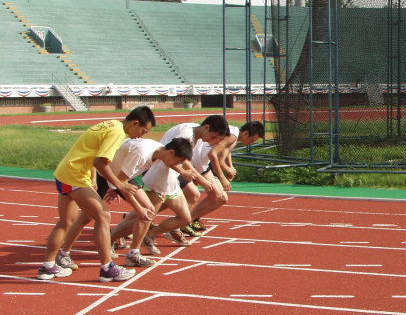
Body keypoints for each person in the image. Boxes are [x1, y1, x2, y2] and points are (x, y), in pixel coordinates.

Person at [37, 106, 156, 282]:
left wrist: (93, 177)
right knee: (103, 216)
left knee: (66, 222)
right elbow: (100, 162)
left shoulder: (110, 124)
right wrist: (120, 185)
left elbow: (90, 151)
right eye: (143, 131)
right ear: (135, 123)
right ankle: (107, 268)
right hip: (74, 175)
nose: (142, 136)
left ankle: (47, 267)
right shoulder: (117, 132)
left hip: (65, 172)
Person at [57, 137, 194, 269]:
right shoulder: (142, 154)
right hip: (103, 174)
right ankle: (64, 253)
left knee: (149, 209)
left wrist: (182, 171)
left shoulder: (159, 151)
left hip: (118, 176)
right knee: (87, 216)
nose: (177, 166)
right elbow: (121, 183)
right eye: (178, 162)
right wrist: (136, 207)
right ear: (171, 152)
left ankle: (133, 254)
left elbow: (123, 180)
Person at [142, 115, 229, 246]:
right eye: (214, 137)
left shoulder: (196, 134)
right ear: (206, 127)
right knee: (147, 211)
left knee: (191, 196)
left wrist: (194, 175)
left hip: (171, 171)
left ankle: (162, 229)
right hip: (159, 172)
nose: (213, 142)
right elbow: (174, 156)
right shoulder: (186, 134)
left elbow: (185, 159)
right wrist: (199, 178)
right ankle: (126, 231)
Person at [185, 120, 265, 233]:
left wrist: (230, 166)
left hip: (200, 160)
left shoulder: (234, 133)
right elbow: (213, 154)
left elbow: (226, 151)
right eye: (252, 140)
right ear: (246, 133)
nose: (251, 143)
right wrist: (223, 176)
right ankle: (185, 220)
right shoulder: (233, 136)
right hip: (200, 162)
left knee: (196, 194)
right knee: (219, 197)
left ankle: (188, 219)